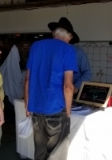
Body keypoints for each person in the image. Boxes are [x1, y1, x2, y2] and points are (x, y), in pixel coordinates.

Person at [24, 18, 78, 160]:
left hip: (36, 109)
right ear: (69, 36)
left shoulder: (35, 46)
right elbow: (68, 85)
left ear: (54, 33)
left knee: (40, 153)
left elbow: (28, 79)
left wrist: (27, 105)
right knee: (56, 154)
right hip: (56, 109)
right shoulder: (68, 49)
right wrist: (68, 110)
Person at [48, 17, 91, 95]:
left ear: (69, 37)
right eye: (56, 37)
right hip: (55, 92)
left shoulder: (78, 52)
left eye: (61, 37)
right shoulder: (51, 52)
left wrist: (76, 86)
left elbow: (87, 73)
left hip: (74, 92)